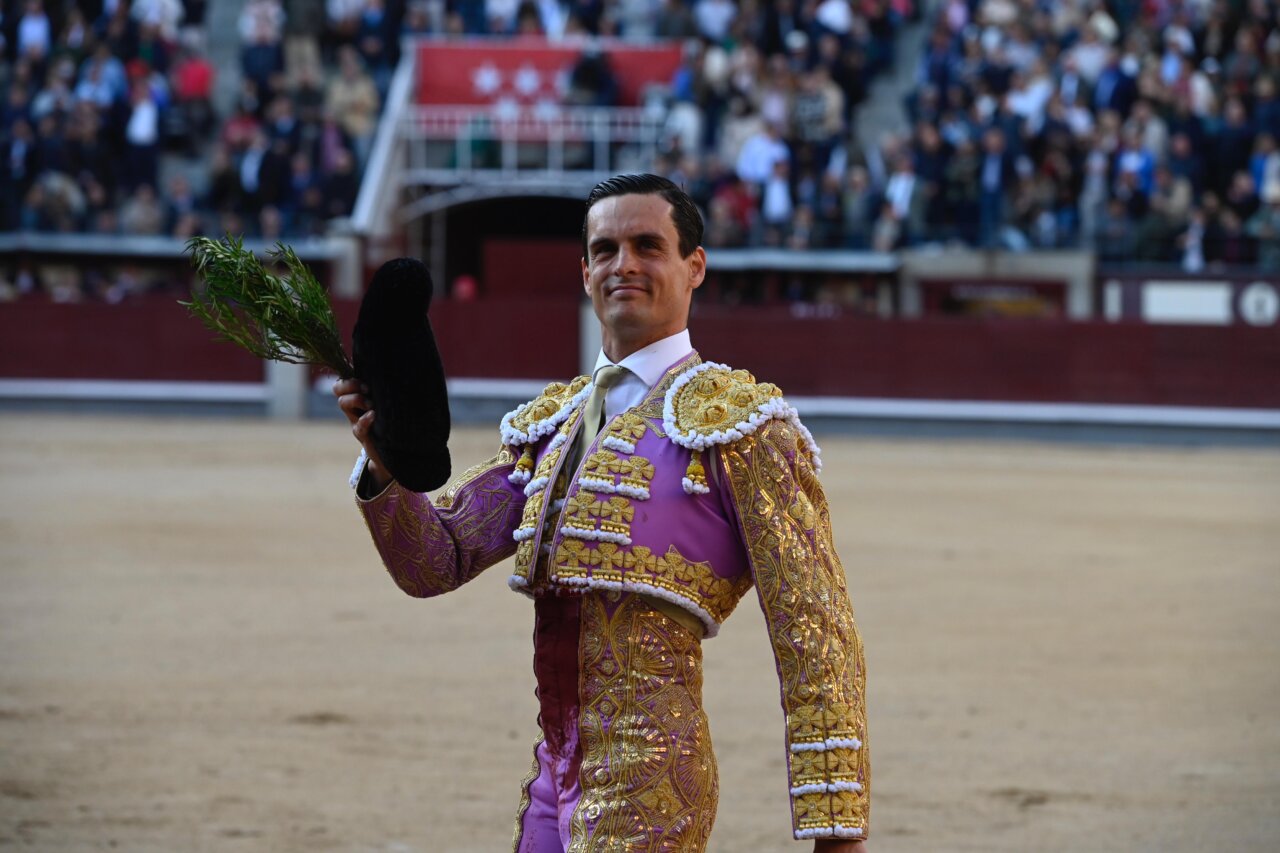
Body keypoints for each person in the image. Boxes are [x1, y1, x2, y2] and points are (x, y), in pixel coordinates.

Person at [334, 174, 869, 851]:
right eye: (606, 248)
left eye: (649, 245)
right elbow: (436, 560)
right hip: (551, 785)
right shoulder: (553, 425)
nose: (625, 265)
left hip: (651, 783)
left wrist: (837, 827)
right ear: (585, 271)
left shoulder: (743, 428)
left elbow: (816, 634)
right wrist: (385, 465)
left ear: (693, 266)